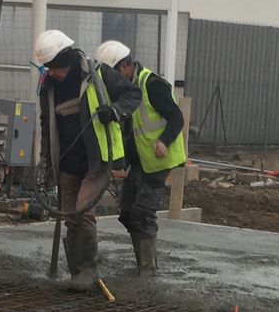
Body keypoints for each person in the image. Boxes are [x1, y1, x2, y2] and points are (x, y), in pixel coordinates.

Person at [33, 29, 127, 292]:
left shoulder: (97, 74)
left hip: (96, 160)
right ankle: (76, 273)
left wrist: (115, 111)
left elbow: (131, 95)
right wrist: (46, 160)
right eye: (48, 67)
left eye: (54, 67)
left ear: (68, 59)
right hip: (67, 162)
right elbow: (46, 122)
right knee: (70, 216)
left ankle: (87, 271)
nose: (51, 72)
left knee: (83, 211)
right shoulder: (49, 86)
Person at [92, 39, 185, 275]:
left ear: (124, 66)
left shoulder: (152, 84)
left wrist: (163, 141)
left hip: (159, 161)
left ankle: (147, 269)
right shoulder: (125, 91)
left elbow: (176, 117)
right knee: (127, 213)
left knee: (143, 213)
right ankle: (143, 262)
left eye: (113, 73)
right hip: (141, 162)